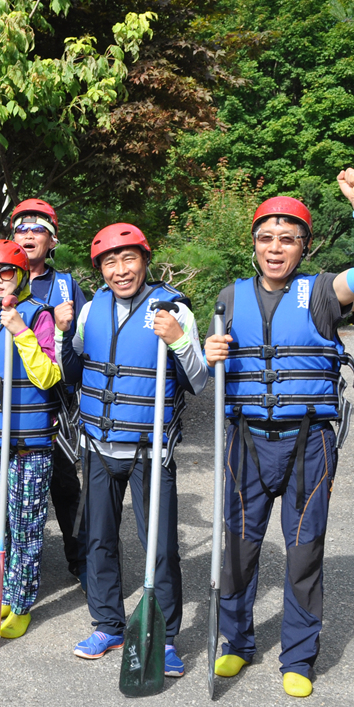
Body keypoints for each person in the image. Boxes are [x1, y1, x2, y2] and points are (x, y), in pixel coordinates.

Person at [204, 169, 354, 698]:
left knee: (304, 550)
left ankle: (299, 656)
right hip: (246, 440)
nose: (275, 248)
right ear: (254, 244)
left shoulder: (323, 292)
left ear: (304, 246)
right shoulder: (229, 297)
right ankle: (236, 642)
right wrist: (209, 353)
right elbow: (209, 369)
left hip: (308, 441)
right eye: (266, 238)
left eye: (287, 238)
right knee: (238, 548)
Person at [63, 224, 208, 678]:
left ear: (145, 260)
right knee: (98, 540)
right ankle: (108, 625)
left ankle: (164, 637)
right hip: (98, 446)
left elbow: (199, 380)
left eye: (128, 259)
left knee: (159, 548)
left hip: (149, 450)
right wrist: (64, 334)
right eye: (110, 262)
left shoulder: (174, 309)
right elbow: (75, 368)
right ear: (100, 270)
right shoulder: (92, 310)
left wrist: (177, 339)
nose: (120, 270)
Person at [0, 165, 89, 585]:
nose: (29, 235)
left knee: (63, 490)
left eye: (38, 229)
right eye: (22, 228)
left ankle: (80, 564)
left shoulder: (65, 286)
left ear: (52, 240)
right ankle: (4, 581)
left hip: (49, 408)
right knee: (0, 509)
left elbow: (81, 349)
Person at [0, 240, 62, 640]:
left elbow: (48, 376)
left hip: (27, 443)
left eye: (6, 272)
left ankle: (21, 604)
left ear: (21, 276)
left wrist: (20, 330)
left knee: (24, 527)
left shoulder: (38, 315)